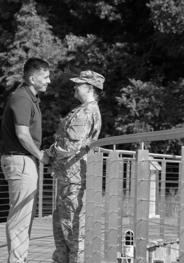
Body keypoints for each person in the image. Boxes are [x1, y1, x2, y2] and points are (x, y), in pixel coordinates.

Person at [44, 70, 104, 263]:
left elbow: (70, 145)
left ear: (90, 88)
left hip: (73, 177)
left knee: (70, 227)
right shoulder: (85, 110)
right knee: (64, 224)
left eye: (79, 84)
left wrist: (49, 153)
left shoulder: (85, 112)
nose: (75, 87)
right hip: (71, 176)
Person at [0, 57, 51, 263]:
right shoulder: (22, 98)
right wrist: (40, 156)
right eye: (46, 77)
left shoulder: (30, 98)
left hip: (23, 161)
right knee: (20, 217)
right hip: (21, 161)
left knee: (24, 216)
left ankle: (19, 259)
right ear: (32, 78)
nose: (49, 81)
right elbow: (22, 134)